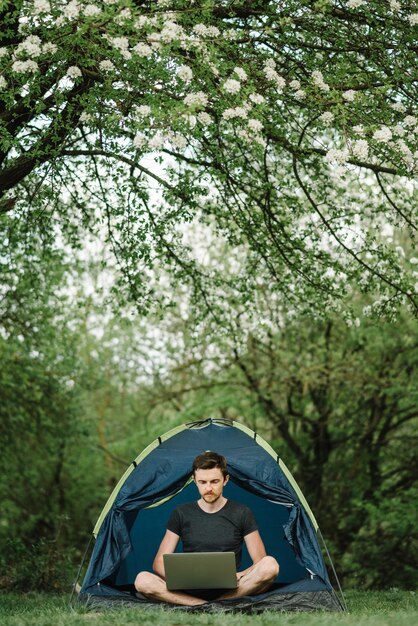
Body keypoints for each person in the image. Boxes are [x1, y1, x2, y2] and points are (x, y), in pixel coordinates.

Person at [134, 451, 279, 606]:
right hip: (188, 587)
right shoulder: (181, 512)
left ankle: (209, 603)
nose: (208, 488)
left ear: (226, 480)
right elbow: (158, 563)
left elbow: (260, 561)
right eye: (202, 482)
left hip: (232, 587)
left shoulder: (242, 512)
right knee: (142, 580)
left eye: (214, 481)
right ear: (194, 480)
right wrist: (183, 578)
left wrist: (239, 575)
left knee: (270, 565)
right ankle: (206, 605)